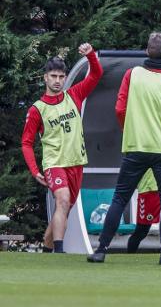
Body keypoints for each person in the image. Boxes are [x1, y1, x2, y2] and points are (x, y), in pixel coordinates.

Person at [87, 32, 161, 265]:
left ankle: (101, 250)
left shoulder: (131, 74)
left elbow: (120, 109)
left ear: (146, 51)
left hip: (136, 147)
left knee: (120, 199)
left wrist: (130, 130)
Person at [21, 43, 102, 253]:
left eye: (61, 76)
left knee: (63, 209)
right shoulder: (37, 109)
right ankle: (59, 251)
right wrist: (34, 170)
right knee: (63, 200)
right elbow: (26, 143)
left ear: (65, 78)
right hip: (54, 163)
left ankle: (47, 251)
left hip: (76, 162)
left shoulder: (73, 95)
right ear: (45, 78)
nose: (57, 81)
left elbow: (95, 75)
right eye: (53, 76)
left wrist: (91, 56)